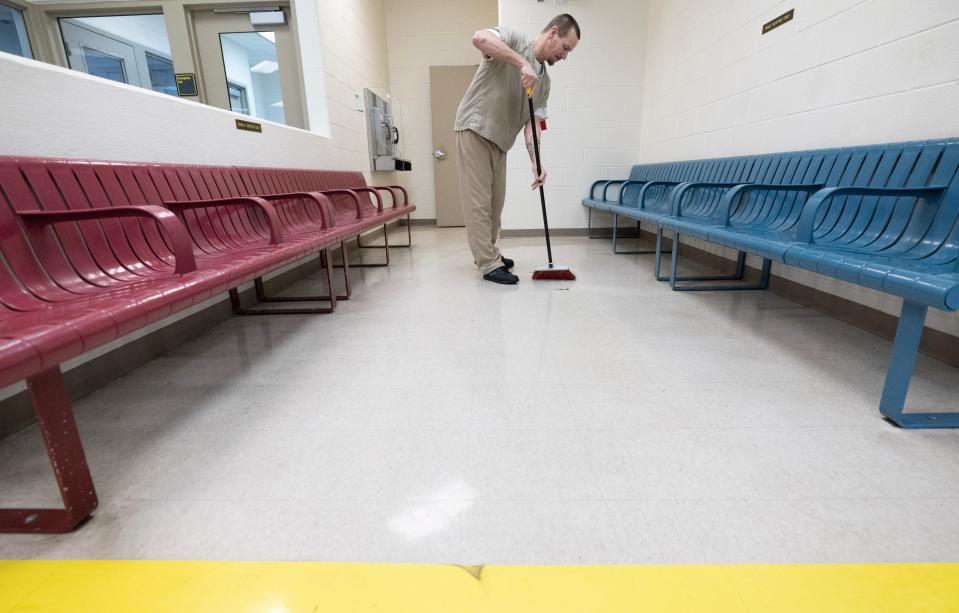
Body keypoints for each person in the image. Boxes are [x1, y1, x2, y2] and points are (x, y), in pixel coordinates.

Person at [454, 14, 580, 285]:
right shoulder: (514, 39)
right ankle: (488, 263)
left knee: (495, 204)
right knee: (478, 204)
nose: (565, 56)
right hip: (475, 127)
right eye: (566, 48)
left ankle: (488, 253)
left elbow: (532, 125)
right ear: (553, 32)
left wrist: (537, 163)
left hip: (500, 141)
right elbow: (480, 38)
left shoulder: (544, 82)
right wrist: (522, 63)